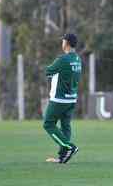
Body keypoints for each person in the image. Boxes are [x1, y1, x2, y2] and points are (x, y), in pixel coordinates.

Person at [43, 33, 82, 163]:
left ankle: (69, 147)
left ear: (66, 43)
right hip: (72, 98)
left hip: (59, 99)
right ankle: (63, 157)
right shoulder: (77, 58)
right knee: (65, 126)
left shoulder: (63, 59)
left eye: (63, 41)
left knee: (48, 124)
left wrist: (49, 68)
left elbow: (48, 71)